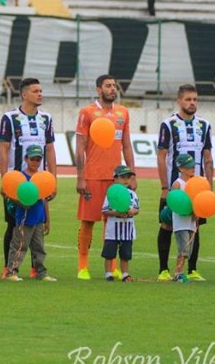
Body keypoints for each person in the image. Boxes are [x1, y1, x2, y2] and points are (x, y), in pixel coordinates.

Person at [75, 74, 136, 280]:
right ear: (98, 89)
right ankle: (83, 265)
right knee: (88, 222)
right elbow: (80, 146)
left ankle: (112, 266)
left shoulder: (123, 112)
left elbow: (126, 144)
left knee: (114, 221)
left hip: (117, 178)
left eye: (114, 85)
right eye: (108, 86)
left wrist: (131, 174)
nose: (112, 89)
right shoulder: (87, 112)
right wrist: (81, 177)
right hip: (92, 176)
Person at [0, 78, 56, 279]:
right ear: (24, 94)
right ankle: (9, 268)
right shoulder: (10, 118)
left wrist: (53, 180)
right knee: (14, 226)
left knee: (38, 226)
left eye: (41, 90)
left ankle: (36, 269)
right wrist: (5, 179)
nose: (40, 94)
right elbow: (4, 149)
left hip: (40, 183)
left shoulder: (46, 118)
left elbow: (50, 149)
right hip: (17, 183)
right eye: (35, 91)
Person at [155, 84, 212, 282]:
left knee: (195, 227)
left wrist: (209, 189)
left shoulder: (204, 125)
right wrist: (164, 187)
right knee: (166, 226)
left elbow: (208, 157)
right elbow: (162, 156)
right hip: (174, 188)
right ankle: (163, 269)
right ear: (179, 101)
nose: (192, 103)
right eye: (188, 99)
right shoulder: (168, 124)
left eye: (195, 99)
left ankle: (192, 269)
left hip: (197, 190)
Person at [5, 145, 55, 282]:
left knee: (39, 248)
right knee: (19, 246)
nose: (35, 162)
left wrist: (47, 220)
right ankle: (11, 271)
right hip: (24, 219)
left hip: (38, 219)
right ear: (26, 159)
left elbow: (44, 199)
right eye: (32, 159)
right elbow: (12, 195)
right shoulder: (20, 178)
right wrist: (24, 203)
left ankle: (41, 272)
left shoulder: (42, 178)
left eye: (38, 160)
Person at [100, 165, 138, 282]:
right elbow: (105, 210)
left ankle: (125, 273)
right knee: (109, 253)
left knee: (125, 254)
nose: (126, 180)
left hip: (127, 230)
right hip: (113, 230)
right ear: (115, 179)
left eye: (128, 177)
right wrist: (116, 212)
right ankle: (108, 273)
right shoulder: (111, 194)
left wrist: (132, 211)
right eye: (123, 177)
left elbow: (137, 209)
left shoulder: (132, 194)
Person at [169, 155, 197, 283]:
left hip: (191, 222)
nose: (192, 168)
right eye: (189, 167)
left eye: (192, 166)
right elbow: (173, 202)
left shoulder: (194, 183)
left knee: (189, 250)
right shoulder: (177, 184)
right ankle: (178, 273)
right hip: (181, 223)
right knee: (183, 249)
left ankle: (181, 271)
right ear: (181, 168)